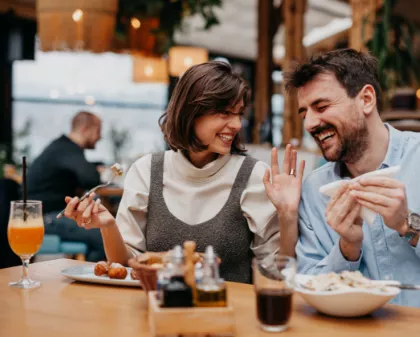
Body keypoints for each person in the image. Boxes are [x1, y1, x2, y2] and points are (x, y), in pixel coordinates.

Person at [60, 61, 305, 283]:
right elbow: (125, 265)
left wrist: (287, 215)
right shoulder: (147, 171)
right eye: (225, 113)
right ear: (191, 113)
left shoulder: (253, 175)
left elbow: (276, 271)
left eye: (239, 113)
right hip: (156, 312)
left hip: (228, 315)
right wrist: (108, 226)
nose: (237, 125)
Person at [267, 48, 420, 310]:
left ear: (366, 99)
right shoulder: (313, 189)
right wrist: (347, 249)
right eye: (304, 112)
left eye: (321, 106)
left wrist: (411, 226)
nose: (309, 124)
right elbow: (307, 285)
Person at [28, 111, 105, 262]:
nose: (100, 137)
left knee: (102, 231)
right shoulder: (68, 150)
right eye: (97, 131)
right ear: (84, 129)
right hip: (46, 218)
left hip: (46, 215)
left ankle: (86, 275)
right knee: (104, 236)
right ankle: (90, 281)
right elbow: (91, 178)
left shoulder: (61, 148)